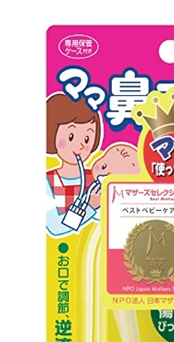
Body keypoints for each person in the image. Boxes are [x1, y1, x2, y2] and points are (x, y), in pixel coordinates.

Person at [46, 93, 103, 236]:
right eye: (71, 137)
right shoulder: (48, 181)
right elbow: (54, 226)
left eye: (87, 138)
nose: (81, 145)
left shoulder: (97, 178)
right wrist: (90, 207)